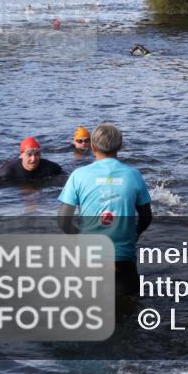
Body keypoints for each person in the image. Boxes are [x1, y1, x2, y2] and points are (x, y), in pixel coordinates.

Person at [57, 123, 152, 296]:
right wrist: (135, 234)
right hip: (124, 259)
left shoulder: (78, 175)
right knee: (130, 314)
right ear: (120, 146)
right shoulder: (133, 175)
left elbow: (63, 221)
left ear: (92, 146)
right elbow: (146, 217)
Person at [0, 137, 64, 181]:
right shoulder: (7, 172)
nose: (33, 159)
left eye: (37, 154)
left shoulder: (52, 168)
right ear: (21, 155)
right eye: (29, 154)